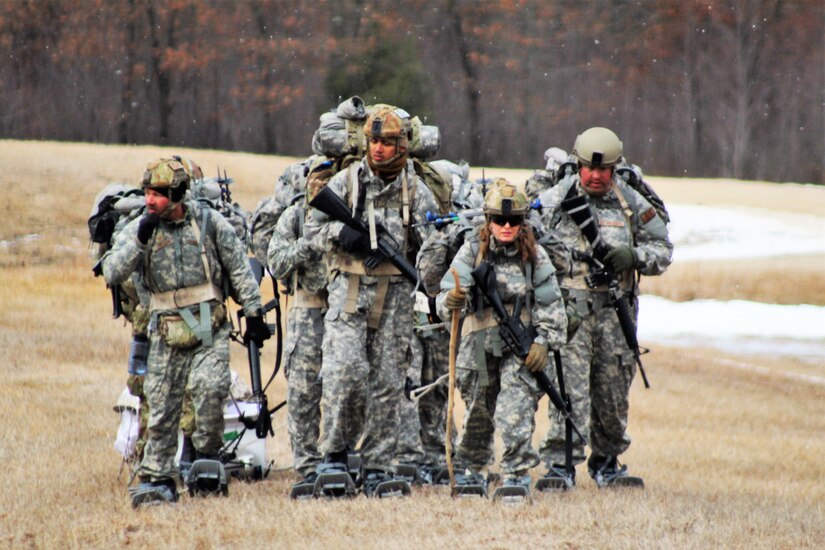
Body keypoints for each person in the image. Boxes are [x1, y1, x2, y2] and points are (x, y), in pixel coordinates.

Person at [103, 157, 270, 507]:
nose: (150, 200)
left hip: (210, 329)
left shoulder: (210, 223)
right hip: (164, 334)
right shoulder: (139, 228)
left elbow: (239, 269)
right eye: (147, 192)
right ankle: (158, 479)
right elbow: (113, 272)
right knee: (162, 409)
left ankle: (206, 463)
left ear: (177, 194)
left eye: (158, 194)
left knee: (209, 393)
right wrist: (138, 240)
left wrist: (253, 313)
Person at [304, 105, 438, 497]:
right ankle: (333, 455)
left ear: (403, 146)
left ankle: (379, 464)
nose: (378, 149)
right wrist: (341, 236)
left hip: (396, 299)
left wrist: (426, 275)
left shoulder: (418, 192)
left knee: (387, 385)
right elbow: (308, 236)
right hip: (348, 295)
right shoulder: (345, 182)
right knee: (344, 374)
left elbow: (435, 247)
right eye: (373, 141)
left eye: (387, 142)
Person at [536, 127, 672, 488]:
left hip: (616, 312)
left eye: (603, 170)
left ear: (614, 168)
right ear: (578, 165)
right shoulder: (554, 200)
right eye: (588, 168)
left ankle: (607, 463)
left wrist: (635, 256)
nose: (595, 176)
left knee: (612, 394)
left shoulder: (632, 203)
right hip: (571, 315)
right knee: (569, 392)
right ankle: (560, 465)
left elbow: (663, 252)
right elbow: (525, 241)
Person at [435, 178, 567, 494]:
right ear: (488, 220)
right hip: (478, 345)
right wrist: (451, 300)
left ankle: (516, 474)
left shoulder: (536, 257)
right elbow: (446, 294)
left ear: (524, 222)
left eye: (514, 220)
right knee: (478, 410)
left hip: (520, 348)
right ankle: (473, 468)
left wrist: (543, 343)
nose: (506, 226)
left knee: (515, 408)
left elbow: (553, 306)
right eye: (499, 219)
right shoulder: (471, 253)